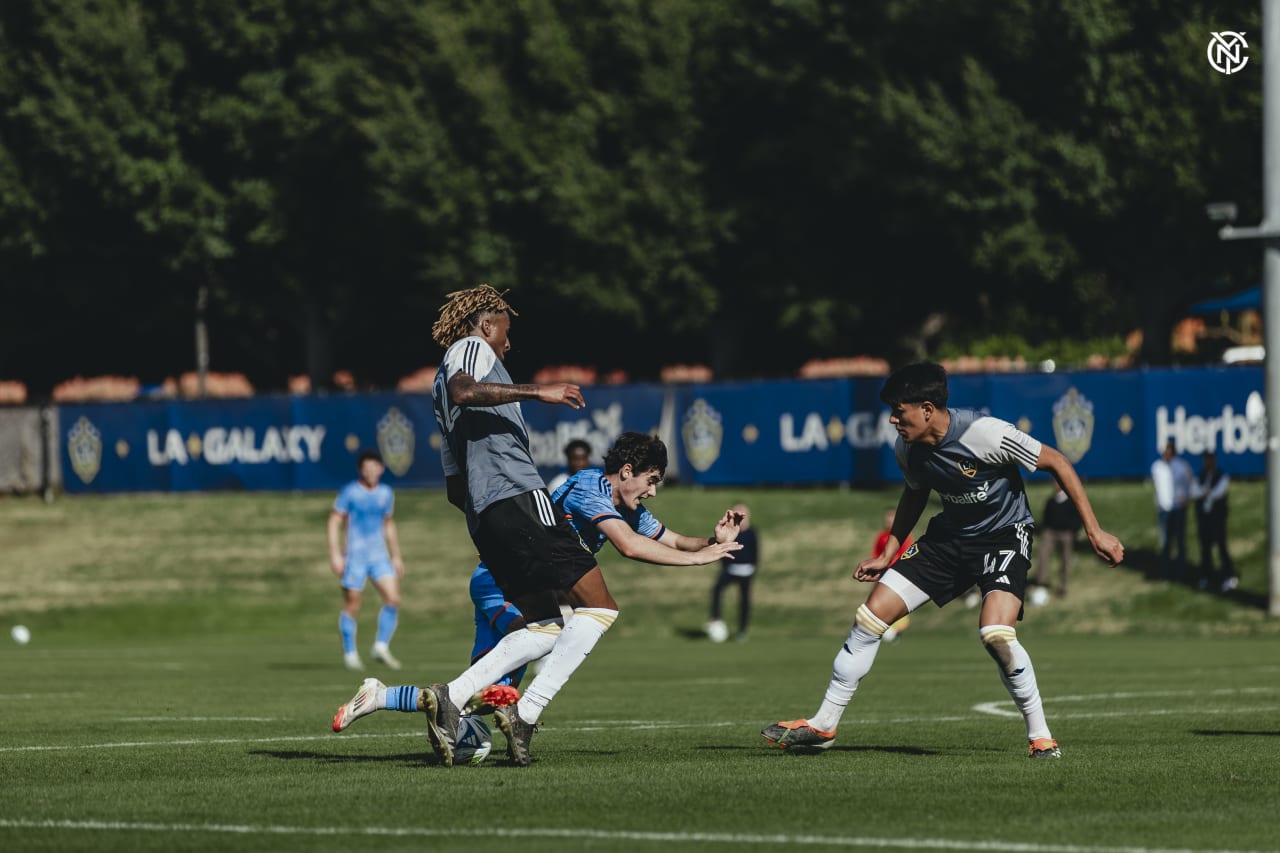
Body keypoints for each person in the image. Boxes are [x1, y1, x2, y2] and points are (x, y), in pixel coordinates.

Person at [761, 362, 1124, 759]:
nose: (893, 420)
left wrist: (1094, 531)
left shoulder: (986, 433)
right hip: (949, 538)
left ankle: (1041, 737)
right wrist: (888, 552)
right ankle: (824, 723)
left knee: (995, 634)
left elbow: (1057, 462)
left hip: (1004, 536)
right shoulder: (908, 448)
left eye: (900, 411)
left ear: (928, 409)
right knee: (870, 616)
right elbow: (915, 493)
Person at [331, 431, 743, 751]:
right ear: (627, 471)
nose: (653, 491)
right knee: (534, 646)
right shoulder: (588, 487)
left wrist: (713, 540)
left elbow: (672, 541)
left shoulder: (625, 506)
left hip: (517, 584)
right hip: (501, 583)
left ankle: (379, 696)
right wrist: (700, 560)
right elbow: (630, 547)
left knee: (481, 699)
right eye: (651, 481)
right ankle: (515, 711)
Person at [327, 449, 405, 671]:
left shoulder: (386, 493)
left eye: (375, 466)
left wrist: (396, 556)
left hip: (379, 556)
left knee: (393, 599)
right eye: (366, 467)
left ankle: (380, 646)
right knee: (352, 603)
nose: (371, 471)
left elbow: (388, 524)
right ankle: (350, 652)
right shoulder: (350, 492)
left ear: (381, 468)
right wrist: (335, 554)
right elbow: (334, 521)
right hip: (355, 557)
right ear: (361, 469)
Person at [706, 504, 758, 642]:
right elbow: (723, 548)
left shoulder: (752, 532)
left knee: (744, 601)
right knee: (717, 590)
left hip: (746, 571)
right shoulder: (730, 532)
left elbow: (755, 552)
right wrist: (724, 564)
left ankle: (742, 631)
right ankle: (716, 620)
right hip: (730, 569)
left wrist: (753, 568)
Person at [1193, 450, 1236, 592]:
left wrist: (1206, 493)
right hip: (1204, 520)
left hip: (1217, 519)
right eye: (1206, 460)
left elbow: (1219, 492)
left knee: (1221, 547)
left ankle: (1229, 575)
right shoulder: (1200, 476)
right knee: (1205, 549)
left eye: (1211, 460)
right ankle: (1206, 576)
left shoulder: (1221, 476)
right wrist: (1205, 492)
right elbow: (1194, 491)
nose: (1208, 463)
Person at [1151, 439, 1194, 580]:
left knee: (1180, 541)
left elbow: (1189, 483)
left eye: (1169, 451)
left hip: (1178, 508)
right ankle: (1166, 572)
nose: (1166, 454)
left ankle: (1181, 572)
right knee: (1165, 543)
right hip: (1164, 510)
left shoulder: (1182, 466)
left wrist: (1186, 498)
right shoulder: (1157, 467)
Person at [1034, 487, 1082, 597]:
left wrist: (1074, 531)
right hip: (1050, 532)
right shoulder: (1051, 501)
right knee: (1043, 555)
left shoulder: (1071, 502)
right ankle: (1041, 582)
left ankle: (1063, 586)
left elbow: (1077, 518)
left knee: (1065, 559)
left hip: (1065, 533)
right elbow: (1045, 517)